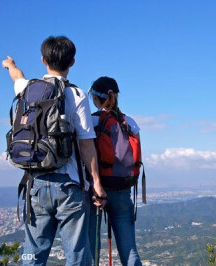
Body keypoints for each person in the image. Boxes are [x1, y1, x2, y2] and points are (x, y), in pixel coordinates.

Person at [2, 36, 106, 266]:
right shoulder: (77, 95)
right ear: (73, 62)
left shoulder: (28, 89)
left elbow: (17, 77)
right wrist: (97, 183)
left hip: (35, 184)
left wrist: (10, 64)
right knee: (77, 254)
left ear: (43, 60)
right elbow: (86, 142)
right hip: (69, 185)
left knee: (32, 253)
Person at [88, 77, 142, 266]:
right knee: (129, 250)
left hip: (95, 191)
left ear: (95, 97)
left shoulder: (92, 121)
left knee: (91, 252)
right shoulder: (130, 122)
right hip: (123, 188)